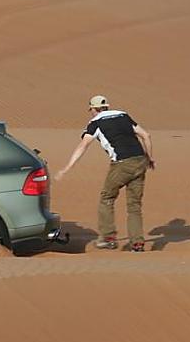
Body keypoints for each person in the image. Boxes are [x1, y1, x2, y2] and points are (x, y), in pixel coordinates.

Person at [54, 95, 155, 252]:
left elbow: (83, 145)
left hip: (122, 163)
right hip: (140, 160)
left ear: (94, 109)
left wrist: (67, 168)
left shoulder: (95, 123)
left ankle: (108, 238)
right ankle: (137, 243)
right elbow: (146, 136)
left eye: (91, 110)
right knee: (134, 205)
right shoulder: (123, 115)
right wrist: (149, 158)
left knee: (106, 198)